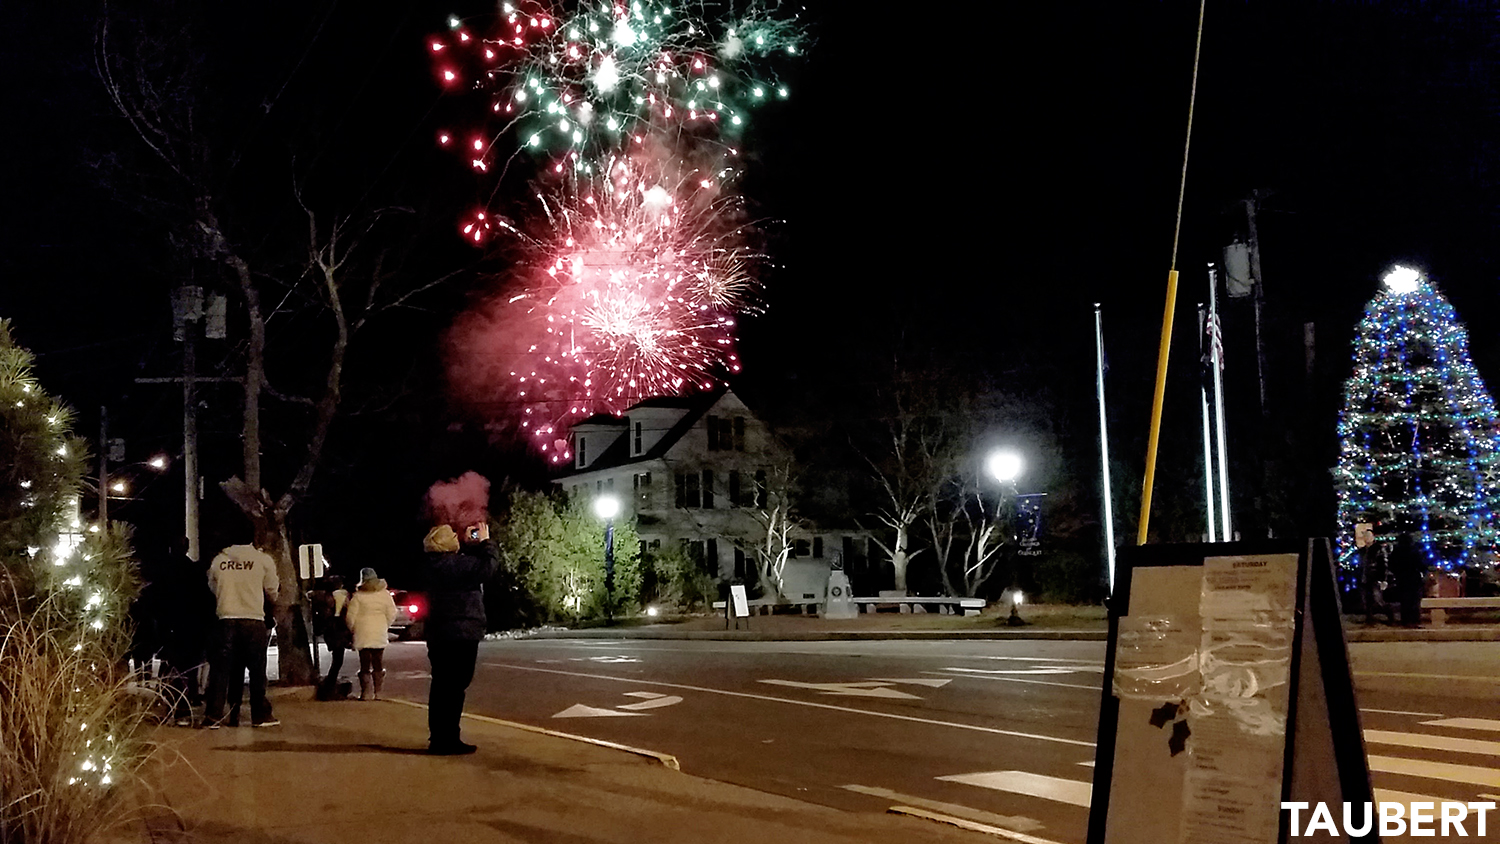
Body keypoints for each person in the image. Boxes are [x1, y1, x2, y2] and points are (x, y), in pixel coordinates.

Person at [421, 521, 498, 755]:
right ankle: (448, 739)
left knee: (441, 686)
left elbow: (469, 568)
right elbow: (487, 568)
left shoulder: (432, 566)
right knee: (456, 687)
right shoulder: (456, 565)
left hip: (439, 633)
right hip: (462, 632)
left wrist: (470, 546)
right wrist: (486, 542)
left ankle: (439, 738)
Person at [204, 536, 280, 728]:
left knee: (221, 670)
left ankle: (214, 715)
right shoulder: (262, 560)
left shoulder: (219, 560)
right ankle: (259, 715)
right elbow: (272, 590)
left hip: (226, 619)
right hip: (253, 619)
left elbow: (212, 586)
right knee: (257, 671)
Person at [160, 537, 217, 724]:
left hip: (170, 626)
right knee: (188, 668)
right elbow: (206, 599)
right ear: (187, 548)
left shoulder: (163, 572)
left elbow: (156, 600)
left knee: (171, 668)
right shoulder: (194, 571)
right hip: (191, 627)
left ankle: (169, 705)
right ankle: (184, 706)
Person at [346, 568, 398, 701]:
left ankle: (365, 693)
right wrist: (385, 625)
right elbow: (392, 613)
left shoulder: (358, 596)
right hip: (379, 630)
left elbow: (350, 617)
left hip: (362, 631)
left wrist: (353, 629)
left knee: (364, 663)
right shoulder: (384, 595)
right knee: (378, 662)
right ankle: (378, 692)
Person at [313, 576, 352, 701]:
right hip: (338, 630)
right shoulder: (341, 596)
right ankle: (328, 689)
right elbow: (345, 615)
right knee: (337, 661)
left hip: (330, 631)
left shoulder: (322, 598)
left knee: (337, 660)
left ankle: (329, 687)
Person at [1388, 532, 1427, 628]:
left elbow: (1391, 565)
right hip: (1414, 578)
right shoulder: (1414, 551)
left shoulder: (1396, 552)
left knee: (1405, 601)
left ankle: (1405, 620)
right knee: (1415, 601)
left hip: (1402, 579)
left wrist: (1397, 573)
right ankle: (1415, 620)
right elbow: (1421, 564)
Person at [1360, 537, 1395, 625]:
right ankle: (1369, 618)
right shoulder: (1363, 550)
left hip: (1374, 578)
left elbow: (1383, 564)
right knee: (1367, 600)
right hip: (1366, 577)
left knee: (1378, 599)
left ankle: (1390, 614)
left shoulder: (1378, 549)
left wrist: (1383, 579)